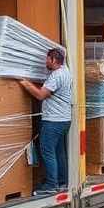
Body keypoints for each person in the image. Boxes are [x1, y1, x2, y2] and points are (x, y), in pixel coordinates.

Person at [20, 48, 72, 195]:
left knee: (47, 151)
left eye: (47, 59)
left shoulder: (56, 76)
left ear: (54, 60)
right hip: (64, 119)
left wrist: (25, 83)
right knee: (59, 151)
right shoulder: (66, 71)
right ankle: (62, 182)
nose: (45, 62)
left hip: (53, 121)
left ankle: (51, 185)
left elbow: (41, 95)